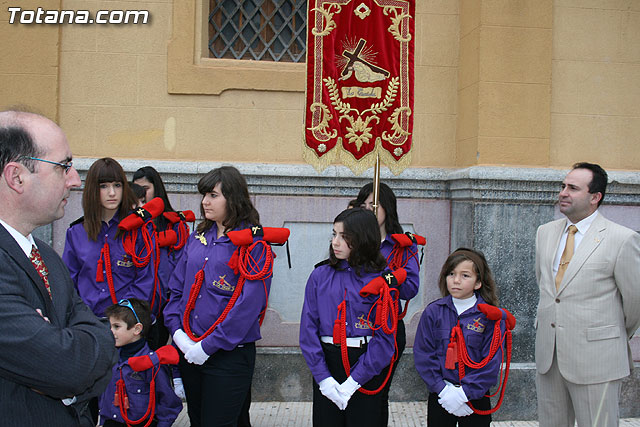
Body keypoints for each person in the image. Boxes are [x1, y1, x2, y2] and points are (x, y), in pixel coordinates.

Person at [0, 110, 115, 426]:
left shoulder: (47, 256)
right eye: (64, 166)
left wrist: (62, 348)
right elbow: (69, 367)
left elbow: (102, 339)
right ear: (17, 177)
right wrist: (66, 360)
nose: (75, 180)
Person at [163, 166, 281, 427]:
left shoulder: (253, 245)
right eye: (204, 194)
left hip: (228, 355)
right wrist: (179, 335)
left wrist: (207, 346)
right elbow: (176, 290)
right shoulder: (198, 238)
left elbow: (249, 307)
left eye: (213, 195)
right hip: (189, 350)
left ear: (234, 198)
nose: (205, 201)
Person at [535, 162, 640, 427]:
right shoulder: (545, 233)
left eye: (573, 188)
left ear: (595, 197)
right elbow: (547, 288)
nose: (563, 193)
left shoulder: (622, 239)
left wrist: (608, 333)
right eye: (562, 186)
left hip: (598, 357)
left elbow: (635, 300)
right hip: (550, 356)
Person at [300, 208, 398, 426]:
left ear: (362, 238)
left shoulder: (382, 280)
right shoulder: (319, 276)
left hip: (366, 363)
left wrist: (353, 382)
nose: (336, 242)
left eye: (344, 237)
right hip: (328, 362)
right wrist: (323, 379)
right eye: (334, 234)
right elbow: (308, 330)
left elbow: (384, 338)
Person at [354, 182, 422, 425]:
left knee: (377, 394)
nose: (370, 211)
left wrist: (386, 277)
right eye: (364, 206)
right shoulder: (352, 240)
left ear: (388, 209)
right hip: (355, 328)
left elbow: (410, 288)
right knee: (355, 393)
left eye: (375, 205)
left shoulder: (403, 244)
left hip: (388, 327)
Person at [414, 248, 505, 426]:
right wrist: (444, 392)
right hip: (441, 394)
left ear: (478, 282)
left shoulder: (490, 316)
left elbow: (491, 362)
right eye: (451, 274)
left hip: (476, 396)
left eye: (465, 276)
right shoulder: (433, 312)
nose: (456, 280)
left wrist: (463, 395)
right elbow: (424, 355)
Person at [62, 158, 159, 320]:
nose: (112, 193)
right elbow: (68, 283)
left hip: (127, 324)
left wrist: (123, 316)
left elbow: (145, 281)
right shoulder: (76, 232)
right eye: (104, 186)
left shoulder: (140, 230)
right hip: (87, 322)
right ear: (93, 189)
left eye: (117, 185)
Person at [99, 298, 182, 427]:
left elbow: (169, 403)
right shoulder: (109, 358)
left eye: (116, 326)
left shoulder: (152, 363)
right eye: (109, 326)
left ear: (137, 329)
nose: (111, 331)